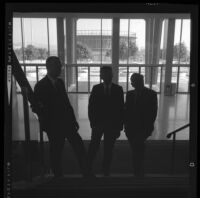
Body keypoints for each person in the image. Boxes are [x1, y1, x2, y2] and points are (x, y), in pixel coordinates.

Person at [33, 56, 90, 178]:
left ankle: (86, 173)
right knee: (56, 151)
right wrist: (46, 124)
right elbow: (37, 108)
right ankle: (58, 176)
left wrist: (73, 120)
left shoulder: (59, 82)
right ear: (48, 67)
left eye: (60, 66)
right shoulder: (40, 86)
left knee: (78, 147)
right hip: (54, 126)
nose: (60, 68)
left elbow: (66, 103)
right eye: (58, 66)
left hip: (67, 123)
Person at [88, 66, 124, 176]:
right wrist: (93, 123)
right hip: (98, 124)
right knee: (94, 146)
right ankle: (88, 166)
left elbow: (121, 108)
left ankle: (105, 169)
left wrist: (119, 126)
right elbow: (91, 108)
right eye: (104, 74)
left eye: (108, 74)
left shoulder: (118, 89)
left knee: (108, 148)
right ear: (101, 76)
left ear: (112, 75)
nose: (107, 76)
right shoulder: (96, 88)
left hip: (112, 125)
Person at [124, 73, 158, 177]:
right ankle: (138, 171)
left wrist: (148, 128)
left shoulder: (151, 94)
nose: (131, 83)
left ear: (139, 81)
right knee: (136, 149)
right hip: (130, 128)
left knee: (137, 149)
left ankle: (138, 172)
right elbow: (126, 110)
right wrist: (125, 125)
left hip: (143, 129)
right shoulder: (129, 94)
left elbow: (153, 112)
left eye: (133, 81)